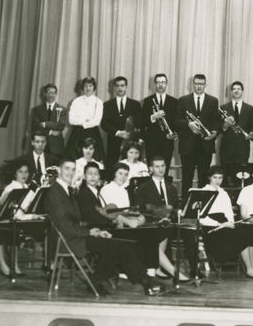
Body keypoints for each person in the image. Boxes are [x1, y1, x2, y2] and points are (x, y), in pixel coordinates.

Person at [43, 160, 159, 296]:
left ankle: (99, 281)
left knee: (118, 246)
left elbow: (76, 219)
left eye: (73, 169)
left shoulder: (66, 190)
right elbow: (64, 225)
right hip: (68, 240)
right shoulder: (55, 192)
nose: (70, 172)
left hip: (76, 235)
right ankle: (143, 281)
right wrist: (89, 232)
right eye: (67, 169)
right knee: (118, 246)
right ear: (59, 170)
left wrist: (95, 231)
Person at [131, 157, 185, 280]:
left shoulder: (171, 188)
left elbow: (175, 208)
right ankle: (175, 273)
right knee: (160, 230)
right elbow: (139, 209)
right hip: (149, 224)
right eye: (157, 166)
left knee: (167, 228)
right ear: (151, 169)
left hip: (167, 223)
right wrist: (156, 218)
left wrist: (171, 217)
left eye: (163, 166)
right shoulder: (143, 188)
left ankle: (157, 267)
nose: (161, 169)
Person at [175, 73, 222, 197]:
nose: (199, 86)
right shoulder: (183, 100)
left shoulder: (213, 100)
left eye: (201, 84)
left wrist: (215, 132)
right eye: (196, 84)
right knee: (187, 178)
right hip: (187, 146)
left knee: (203, 178)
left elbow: (216, 121)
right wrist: (188, 124)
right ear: (192, 84)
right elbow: (176, 121)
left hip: (205, 145)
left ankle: (202, 207)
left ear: (205, 85)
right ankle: (186, 206)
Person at [141, 72, 179, 165]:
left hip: (167, 141)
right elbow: (142, 121)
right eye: (158, 82)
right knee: (152, 167)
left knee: (165, 168)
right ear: (154, 84)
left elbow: (176, 120)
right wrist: (154, 116)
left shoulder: (174, 101)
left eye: (163, 82)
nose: (160, 84)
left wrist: (175, 133)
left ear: (166, 83)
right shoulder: (147, 101)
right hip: (151, 140)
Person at [101, 75, 142, 162]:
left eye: (122, 85)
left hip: (130, 143)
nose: (120, 88)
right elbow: (104, 124)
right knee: (112, 168)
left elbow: (140, 123)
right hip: (113, 142)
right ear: (114, 87)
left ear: (126, 87)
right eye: (117, 85)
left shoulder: (135, 104)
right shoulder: (107, 105)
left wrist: (132, 135)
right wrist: (118, 132)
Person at [218, 80, 253, 170]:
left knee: (240, 176)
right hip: (227, 148)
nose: (236, 90)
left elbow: (252, 127)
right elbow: (219, 128)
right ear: (231, 92)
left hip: (243, 148)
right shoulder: (223, 108)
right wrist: (225, 125)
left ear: (242, 91)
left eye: (239, 89)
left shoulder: (250, 109)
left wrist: (251, 134)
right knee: (225, 177)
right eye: (234, 89)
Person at [66, 76, 105, 159]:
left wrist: (79, 119)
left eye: (90, 85)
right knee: (74, 157)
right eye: (85, 86)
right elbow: (71, 120)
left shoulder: (98, 102)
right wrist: (85, 120)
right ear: (82, 87)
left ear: (94, 87)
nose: (88, 88)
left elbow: (97, 121)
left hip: (93, 133)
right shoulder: (76, 101)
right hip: (77, 133)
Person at [29, 83, 68, 158]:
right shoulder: (36, 110)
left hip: (56, 146)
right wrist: (50, 132)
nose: (51, 95)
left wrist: (45, 124)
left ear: (56, 94)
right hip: (40, 145)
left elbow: (61, 126)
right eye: (49, 92)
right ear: (44, 94)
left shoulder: (62, 109)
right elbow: (36, 126)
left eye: (53, 93)